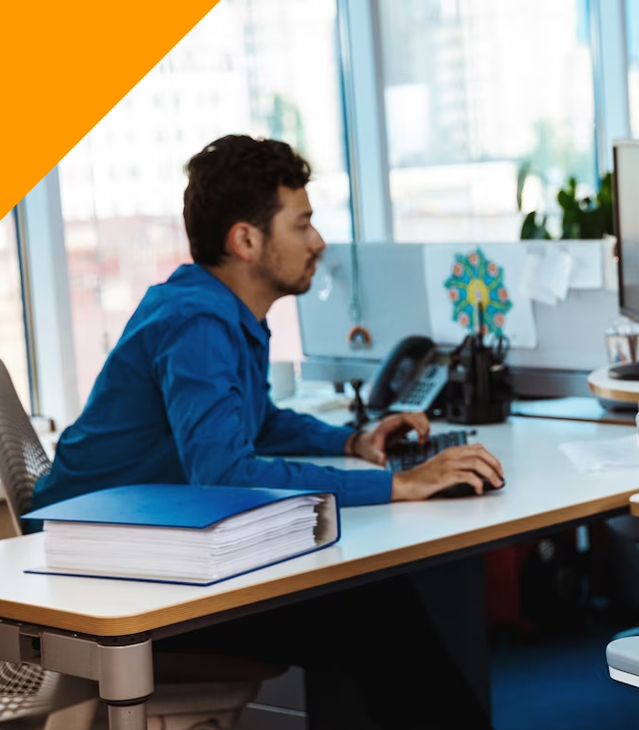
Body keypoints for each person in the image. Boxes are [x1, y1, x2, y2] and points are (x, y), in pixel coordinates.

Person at [29, 134, 503, 729]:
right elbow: (224, 474)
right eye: (301, 224)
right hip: (101, 581)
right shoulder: (197, 323)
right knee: (372, 612)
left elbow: (261, 423)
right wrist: (399, 486)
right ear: (246, 240)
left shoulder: (223, 313)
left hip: (150, 554)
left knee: (374, 604)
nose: (318, 242)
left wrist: (352, 442)